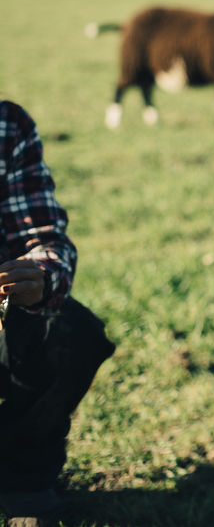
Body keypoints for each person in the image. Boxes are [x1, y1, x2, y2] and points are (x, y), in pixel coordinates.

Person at [0, 101, 115, 527]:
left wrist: (40, 276)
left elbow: (42, 235)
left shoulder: (6, 126)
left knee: (72, 334)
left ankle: (23, 478)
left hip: (3, 308)